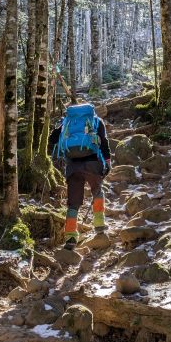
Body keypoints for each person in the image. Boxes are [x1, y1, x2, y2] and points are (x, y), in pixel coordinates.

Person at [49, 102, 111, 250]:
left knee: (73, 203)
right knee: (97, 191)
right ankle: (99, 225)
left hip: (73, 166)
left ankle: (70, 237)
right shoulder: (96, 121)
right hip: (93, 163)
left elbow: (52, 140)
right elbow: (104, 143)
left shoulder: (67, 123)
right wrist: (107, 163)